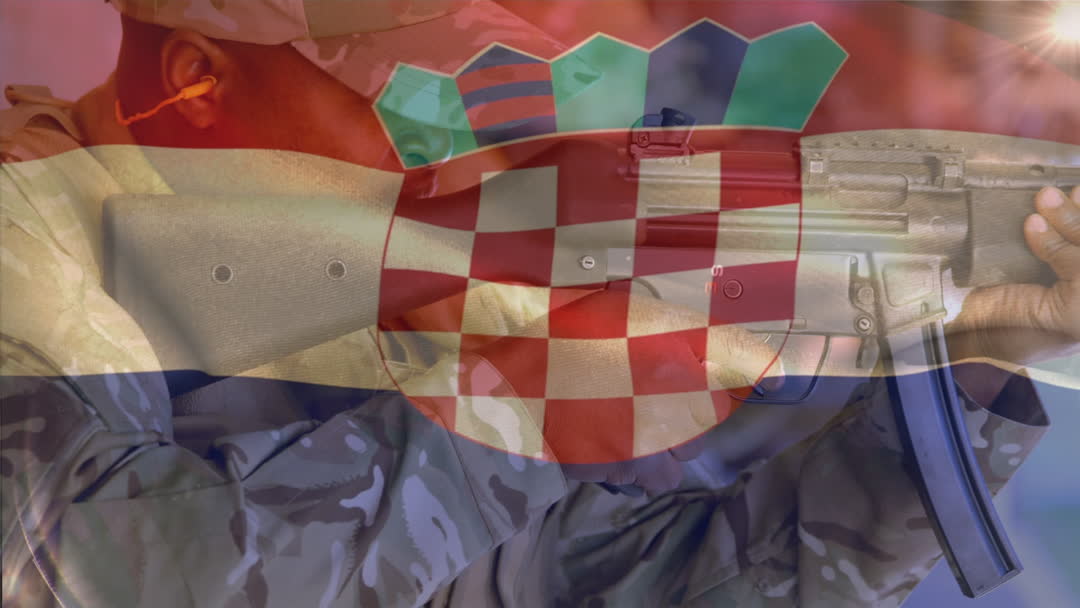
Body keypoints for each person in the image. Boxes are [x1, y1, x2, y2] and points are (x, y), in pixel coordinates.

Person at [1, 1, 1076, 606]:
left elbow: (691, 587)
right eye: (410, 103)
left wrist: (978, 360)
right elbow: (115, 580)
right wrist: (531, 401)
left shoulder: (377, 297)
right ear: (196, 81)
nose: (466, 146)